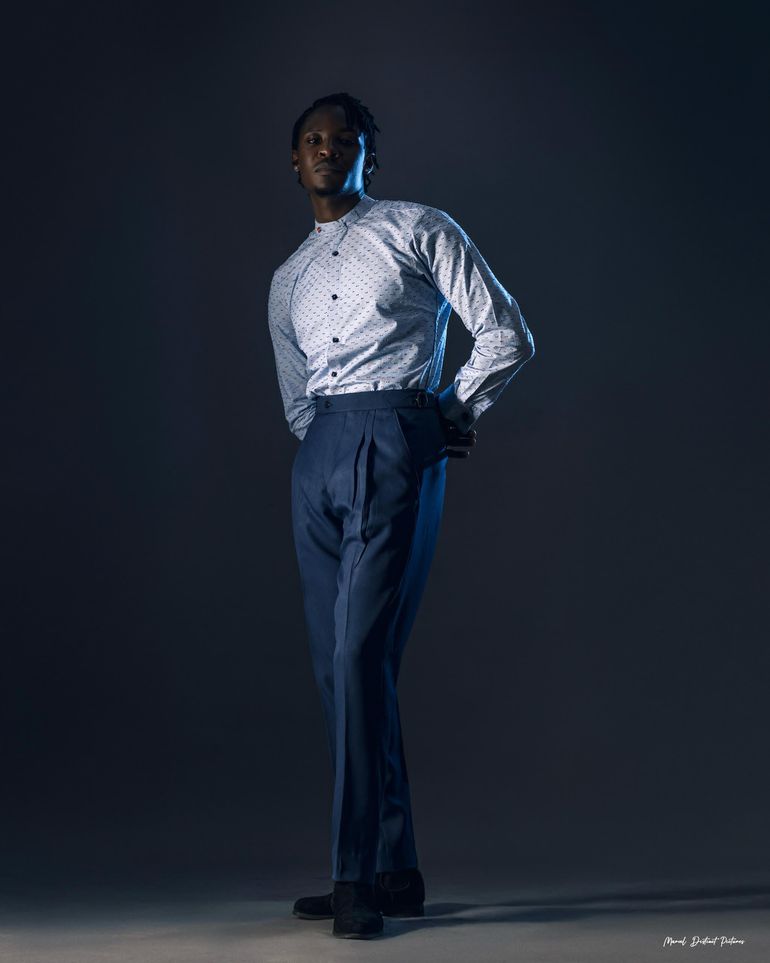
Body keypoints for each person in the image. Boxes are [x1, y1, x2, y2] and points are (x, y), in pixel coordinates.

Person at [267, 91, 535, 939]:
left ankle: (352, 877)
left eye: (344, 138)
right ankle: (396, 867)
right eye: (312, 138)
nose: (327, 147)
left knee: (357, 656)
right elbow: (297, 400)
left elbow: (505, 332)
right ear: (295, 160)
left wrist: (443, 414)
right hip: (319, 454)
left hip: (393, 433)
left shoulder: (417, 227)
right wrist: (326, 449)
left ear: (368, 157)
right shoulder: (286, 279)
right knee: (340, 669)